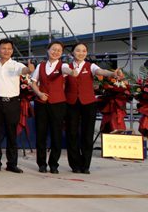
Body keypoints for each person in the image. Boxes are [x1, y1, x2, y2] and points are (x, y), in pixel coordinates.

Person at [65, 42, 124, 174]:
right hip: (71, 103)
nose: (81, 53)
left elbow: (101, 71)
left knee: (87, 133)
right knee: (72, 134)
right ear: (72, 52)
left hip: (88, 103)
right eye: (78, 50)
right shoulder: (66, 67)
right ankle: (75, 164)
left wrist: (112, 74)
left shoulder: (90, 66)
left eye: (84, 51)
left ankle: (85, 165)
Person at [0, 38, 35, 173]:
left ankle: (12, 164)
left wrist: (29, 69)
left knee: (12, 134)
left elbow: (24, 70)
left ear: (12, 51)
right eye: (3, 48)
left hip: (12, 103)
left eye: (9, 49)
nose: (6, 51)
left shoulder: (16, 65)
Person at [30, 41, 78, 174]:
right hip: (41, 104)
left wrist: (72, 71)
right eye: (53, 49)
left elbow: (66, 70)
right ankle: (41, 163)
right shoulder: (41, 66)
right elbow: (33, 83)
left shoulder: (63, 65)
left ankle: (54, 164)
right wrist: (39, 93)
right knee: (41, 134)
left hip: (58, 104)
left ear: (61, 53)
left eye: (59, 50)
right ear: (48, 50)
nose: (55, 52)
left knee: (56, 134)